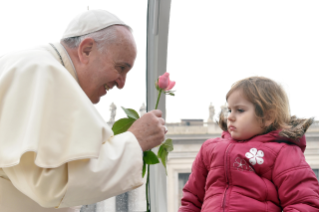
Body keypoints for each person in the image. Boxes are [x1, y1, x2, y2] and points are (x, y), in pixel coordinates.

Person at [0, 10, 166, 212]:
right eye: (120, 67)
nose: (121, 83)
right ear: (86, 50)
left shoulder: (34, 65)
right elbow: (48, 186)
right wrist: (134, 141)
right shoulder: (41, 71)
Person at [179, 76, 319, 211]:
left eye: (240, 110)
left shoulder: (283, 152)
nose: (230, 117)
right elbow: (192, 200)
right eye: (229, 110)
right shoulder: (210, 149)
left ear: (268, 117)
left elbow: (304, 202)